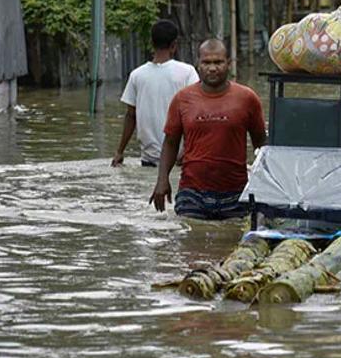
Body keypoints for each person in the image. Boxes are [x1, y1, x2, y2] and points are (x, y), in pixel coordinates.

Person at [150, 39, 267, 220]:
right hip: (192, 192)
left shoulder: (247, 98)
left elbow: (261, 143)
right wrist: (161, 180)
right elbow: (171, 142)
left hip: (236, 193)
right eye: (206, 62)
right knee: (190, 242)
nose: (212, 68)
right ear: (198, 64)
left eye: (218, 62)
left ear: (229, 63)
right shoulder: (182, 99)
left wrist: (266, 185)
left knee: (230, 244)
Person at [112, 20, 199, 167]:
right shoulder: (187, 72)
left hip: (149, 160)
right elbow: (196, 114)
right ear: (174, 45)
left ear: (151, 43)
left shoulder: (137, 75)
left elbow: (130, 116)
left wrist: (120, 151)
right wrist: (187, 148)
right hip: (180, 160)